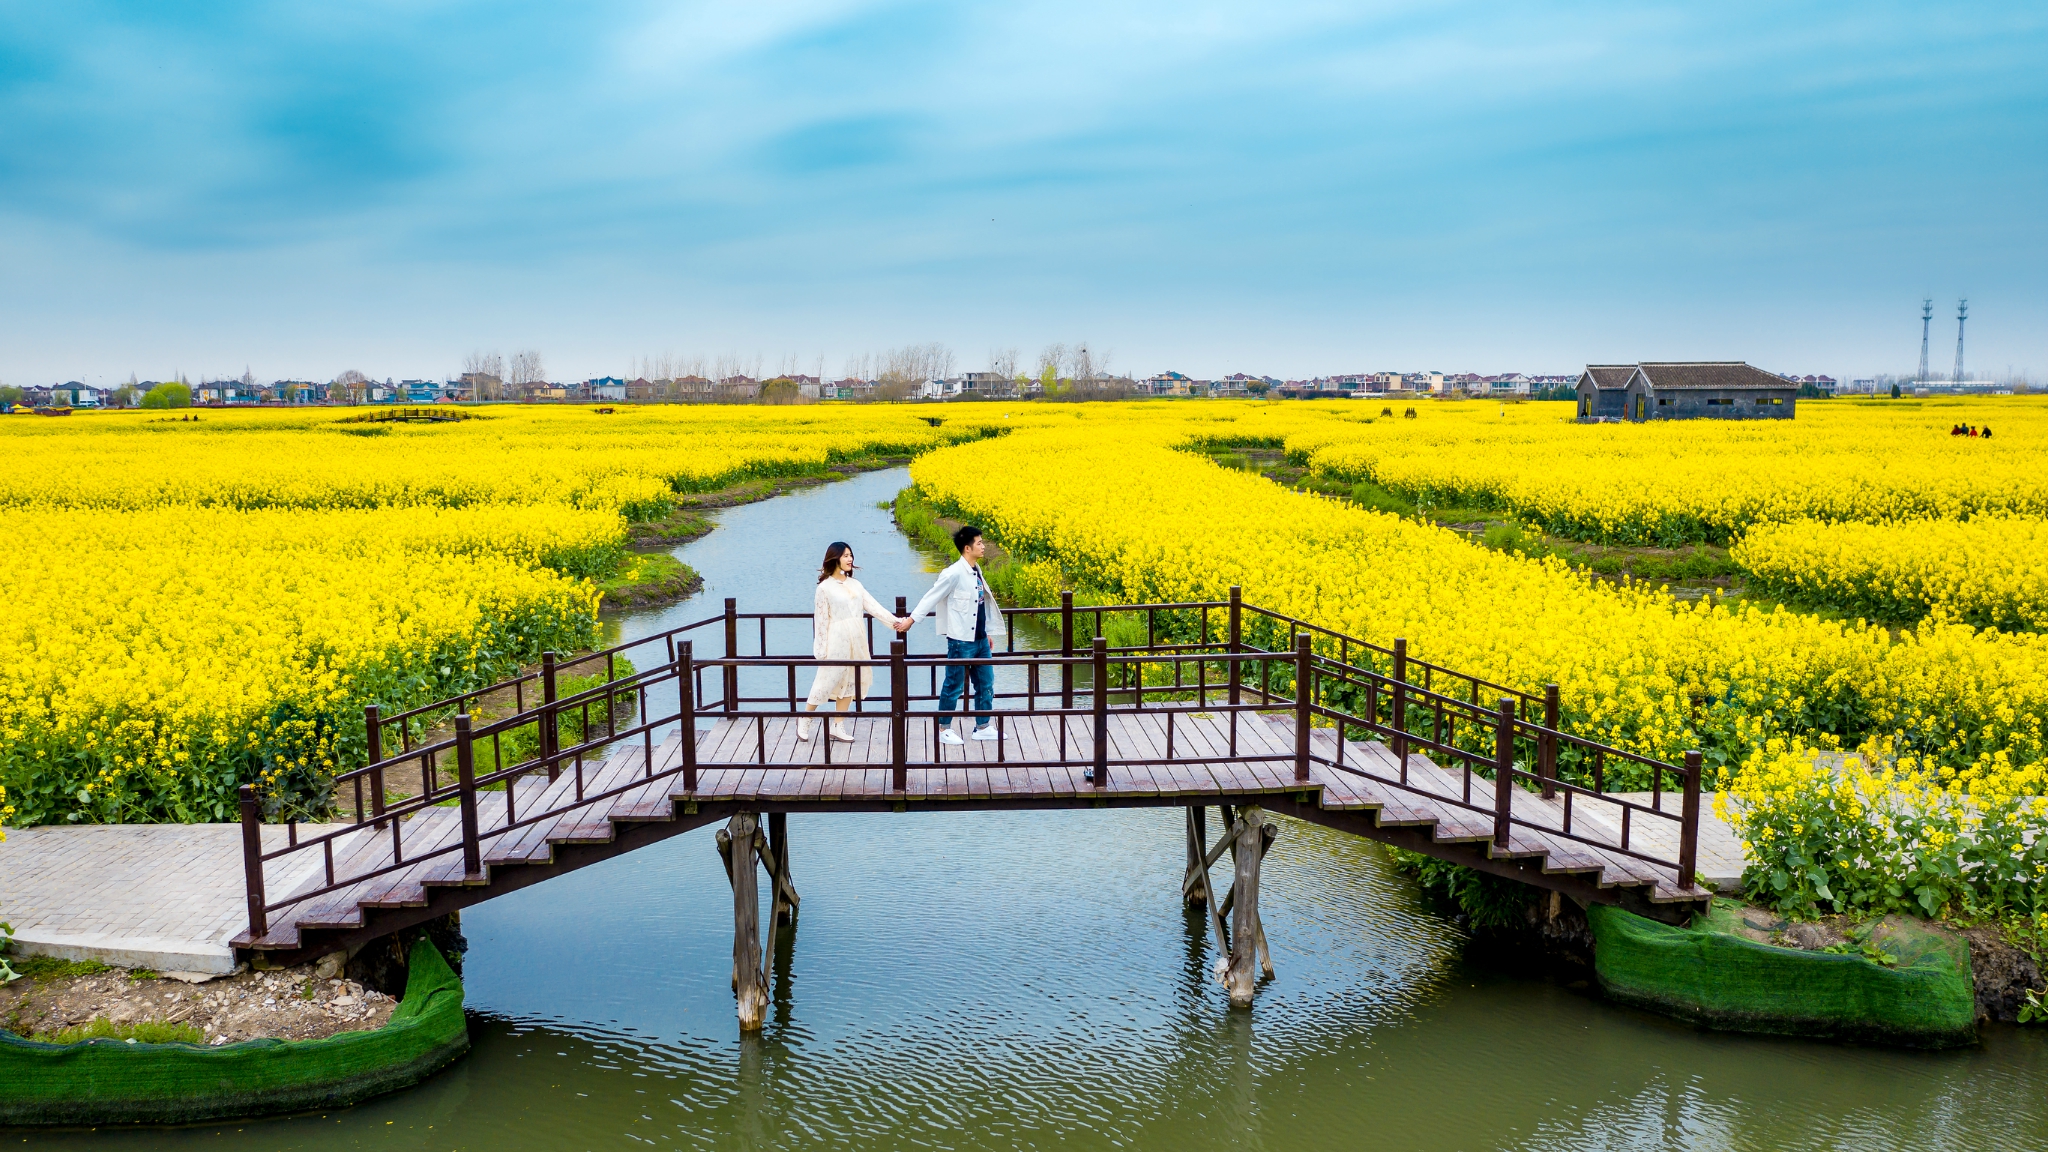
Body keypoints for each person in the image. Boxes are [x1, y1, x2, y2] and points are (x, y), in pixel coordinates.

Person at [800, 542, 911, 742]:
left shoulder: (855, 585)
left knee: (851, 682)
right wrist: (820, 650)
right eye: (845, 556)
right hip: (836, 639)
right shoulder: (824, 588)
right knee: (825, 681)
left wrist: (895, 622)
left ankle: (838, 725)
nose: (850, 559)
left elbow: (873, 606)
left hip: (857, 639)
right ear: (835, 559)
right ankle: (805, 718)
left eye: (851, 555)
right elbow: (821, 620)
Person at [911, 524, 1003, 745]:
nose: (983, 546)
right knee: (953, 685)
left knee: (985, 683)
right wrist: (911, 619)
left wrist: (986, 632)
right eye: (979, 543)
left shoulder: (976, 570)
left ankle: (982, 726)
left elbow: (979, 606)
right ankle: (944, 729)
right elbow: (931, 597)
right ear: (967, 548)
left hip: (980, 639)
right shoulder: (952, 573)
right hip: (960, 641)